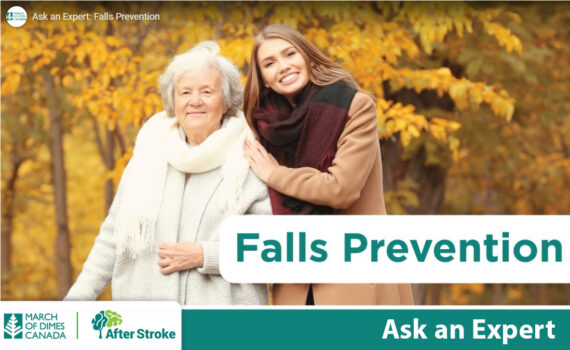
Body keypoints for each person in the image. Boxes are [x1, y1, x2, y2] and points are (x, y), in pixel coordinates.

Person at [65, 41, 270, 305]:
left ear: (226, 100)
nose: (195, 101)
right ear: (173, 101)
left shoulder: (251, 158)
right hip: (145, 326)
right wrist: (76, 300)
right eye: (185, 92)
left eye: (207, 91)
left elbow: (270, 249)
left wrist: (205, 256)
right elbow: (113, 236)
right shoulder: (149, 153)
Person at [243, 24, 414, 305]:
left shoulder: (353, 106)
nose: (283, 66)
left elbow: (341, 189)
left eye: (289, 54)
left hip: (354, 279)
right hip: (296, 285)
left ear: (308, 57)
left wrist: (275, 174)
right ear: (264, 80)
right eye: (270, 63)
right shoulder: (264, 128)